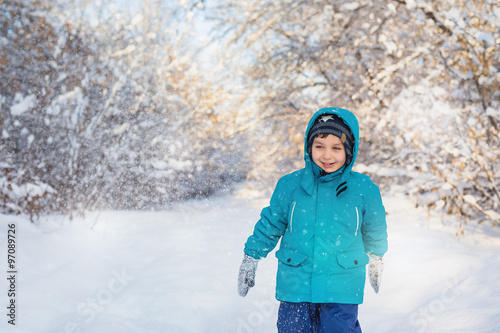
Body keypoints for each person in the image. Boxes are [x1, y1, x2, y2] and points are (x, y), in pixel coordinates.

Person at [237, 107, 388, 332]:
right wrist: (251, 256)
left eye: (336, 148)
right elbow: (271, 223)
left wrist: (376, 256)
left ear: (350, 150)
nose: (327, 155)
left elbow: (374, 228)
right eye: (319, 146)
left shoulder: (363, 189)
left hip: (342, 284)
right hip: (296, 283)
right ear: (309, 147)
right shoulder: (290, 185)